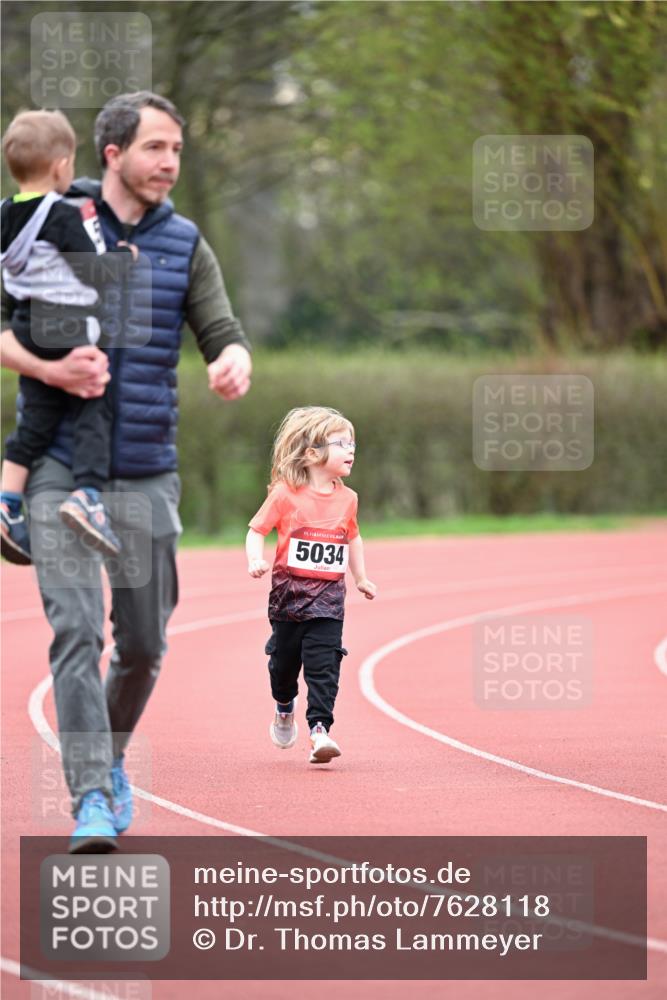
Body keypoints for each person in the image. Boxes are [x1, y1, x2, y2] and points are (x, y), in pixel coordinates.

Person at [0, 92, 252, 852]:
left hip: (144, 470)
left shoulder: (184, 244)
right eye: (155, 148)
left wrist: (233, 362)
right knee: (76, 632)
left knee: (142, 644)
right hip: (57, 465)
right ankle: (90, 803)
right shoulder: (52, 216)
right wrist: (49, 365)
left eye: (176, 149)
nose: (170, 162)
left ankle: (103, 765)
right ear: (110, 155)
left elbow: (221, 332)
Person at [1, 109, 140, 565]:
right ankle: (86, 494)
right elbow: (94, 268)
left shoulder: (5, 214)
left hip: (27, 326)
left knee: (36, 420)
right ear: (61, 165)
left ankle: (7, 501)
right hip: (70, 324)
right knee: (95, 401)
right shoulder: (62, 213)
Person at [246, 406, 376, 764]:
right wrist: (254, 560)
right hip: (289, 601)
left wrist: (361, 577)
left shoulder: (348, 498)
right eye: (342, 443)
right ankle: (284, 705)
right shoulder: (286, 494)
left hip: (329, 602)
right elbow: (256, 530)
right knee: (283, 666)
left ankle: (320, 730)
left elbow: (353, 539)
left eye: (354, 444)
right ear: (313, 452)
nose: (351, 450)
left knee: (324, 665)